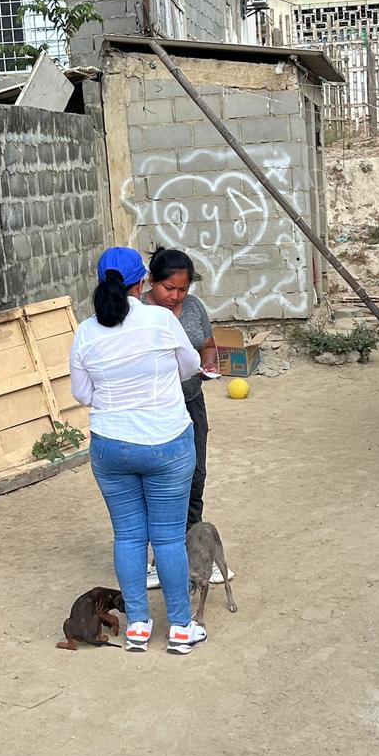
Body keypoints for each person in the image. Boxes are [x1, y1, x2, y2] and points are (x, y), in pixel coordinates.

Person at [69, 247, 207, 656]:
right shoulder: (161, 320)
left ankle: (138, 628)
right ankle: (180, 628)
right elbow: (190, 366)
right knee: (168, 539)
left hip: (111, 446)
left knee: (128, 536)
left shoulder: (85, 332)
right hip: (166, 441)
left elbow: (82, 393)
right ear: (142, 283)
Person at [144, 246, 234, 589]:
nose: (176, 296)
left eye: (182, 289)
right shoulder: (139, 312)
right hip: (154, 410)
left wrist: (208, 361)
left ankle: (195, 555)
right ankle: (159, 560)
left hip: (191, 403)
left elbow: (206, 344)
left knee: (195, 476)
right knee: (161, 483)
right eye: (169, 288)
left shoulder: (193, 308)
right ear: (151, 281)